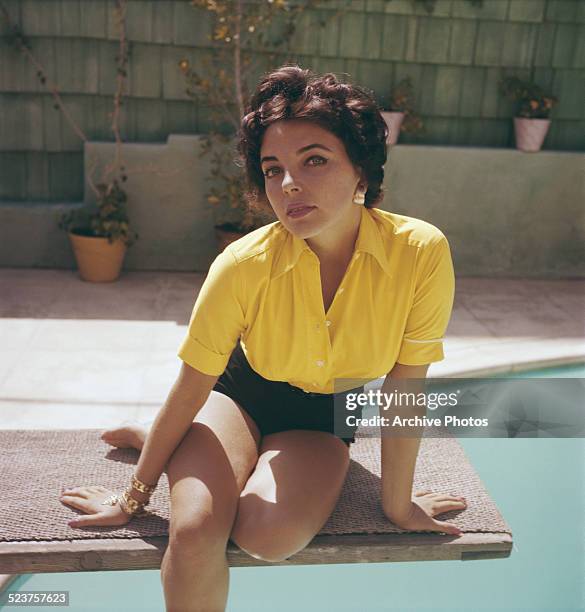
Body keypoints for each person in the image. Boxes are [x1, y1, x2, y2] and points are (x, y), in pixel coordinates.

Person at [58, 64, 466, 612]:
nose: (289, 184)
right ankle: (175, 442)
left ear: (362, 172)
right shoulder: (242, 264)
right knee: (199, 528)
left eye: (314, 160)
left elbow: (406, 384)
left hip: (322, 415)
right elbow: (193, 385)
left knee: (267, 536)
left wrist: (397, 507)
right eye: (273, 169)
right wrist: (134, 497)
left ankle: (182, 446)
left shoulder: (420, 253)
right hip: (237, 397)